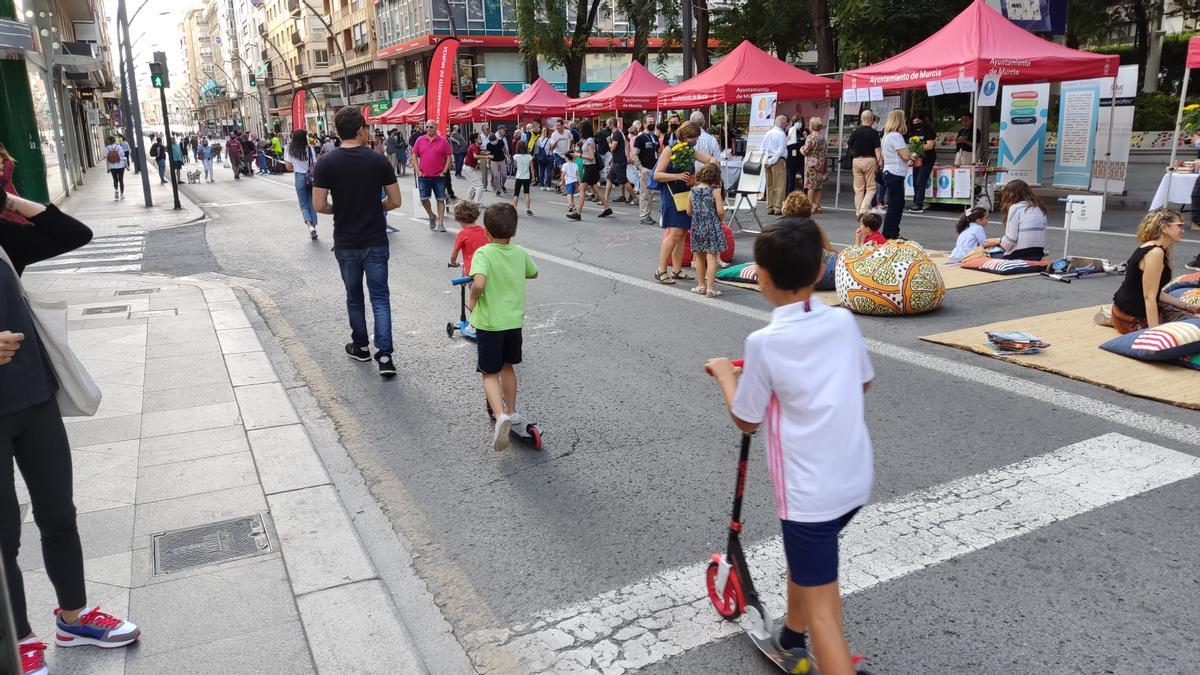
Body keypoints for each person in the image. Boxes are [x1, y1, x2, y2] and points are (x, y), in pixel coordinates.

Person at [705, 216, 874, 675]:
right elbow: (862, 383)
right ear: (819, 271)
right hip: (854, 479)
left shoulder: (765, 343)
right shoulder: (841, 320)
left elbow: (746, 416)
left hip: (809, 496)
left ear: (760, 276)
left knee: (826, 611)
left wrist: (725, 374)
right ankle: (791, 636)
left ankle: (818, 645)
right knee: (810, 566)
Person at [0, 191, 142, 675]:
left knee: (59, 516)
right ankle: (17, 640)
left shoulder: (3, 238)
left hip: (34, 398)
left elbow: (71, 233)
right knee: (3, 537)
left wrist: (8, 200)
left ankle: (73, 619)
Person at [311, 106, 403, 378]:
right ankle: (385, 356)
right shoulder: (378, 161)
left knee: (354, 297)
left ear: (338, 132)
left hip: (346, 242)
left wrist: (340, 210)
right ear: (361, 130)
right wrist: (375, 208)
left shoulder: (326, 163)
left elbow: (319, 205)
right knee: (380, 297)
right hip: (375, 239)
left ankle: (360, 346)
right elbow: (396, 201)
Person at [466, 203, 538, 451]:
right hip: (513, 322)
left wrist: (473, 299)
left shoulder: (484, 253)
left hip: (490, 323)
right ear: (514, 231)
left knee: (488, 372)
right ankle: (513, 411)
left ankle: (500, 415)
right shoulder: (519, 252)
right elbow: (533, 273)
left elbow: (479, 282)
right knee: (508, 366)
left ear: (486, 231)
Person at [1110, 209, 1198, 333]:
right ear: (1164, 228)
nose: (1182, 230)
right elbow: (1149, 297)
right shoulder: (1155, 253)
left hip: (1123, 311)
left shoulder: (1152, 247)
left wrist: (1187, 306)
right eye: (1179, 226)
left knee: (1185, 312)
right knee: (1194, 326)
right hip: (1132, 319)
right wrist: (1154, 333)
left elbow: (1153, 292)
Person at [653, 121, 717, 284]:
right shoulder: (670, 150)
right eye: (694, 138)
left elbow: (711, 160)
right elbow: (657, 175)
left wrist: (701, 176)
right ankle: (660, 270)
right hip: (671, 193)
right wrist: (676, 176)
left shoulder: (689, 149)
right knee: (674, 233)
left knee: (682, 234)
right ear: (685, 136)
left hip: (685, 193)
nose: (695, 141)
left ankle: (676, 269)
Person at [686, 163, 726, 298]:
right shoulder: (715, 192)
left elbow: (688, 211)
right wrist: (719, 220)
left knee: (699, 256)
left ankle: (701, 285)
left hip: (697, 226)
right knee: (712, 256)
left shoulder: (692, 192)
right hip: (712, 225)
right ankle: (710, 288)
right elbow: (720, 211)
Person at [983, 180, 1047, 261]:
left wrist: (996, 241)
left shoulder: (1015, 208)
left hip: (1019, 254)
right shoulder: (1040, 207)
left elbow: (1010, 241)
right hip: (1038, 253)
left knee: (984, 254)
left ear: (1010, 195)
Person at [412, 121, 454, 232]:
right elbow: (414, 154)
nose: (429, 128)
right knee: (424, 199)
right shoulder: (420, 140)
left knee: (440, 199)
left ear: (436, 128)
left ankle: (440, 224)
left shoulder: (443, 141)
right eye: (427, 127)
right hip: (423, 175)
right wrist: (417, 170)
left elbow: (449, 156)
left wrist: (444, 171)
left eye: (431, 127)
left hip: (439, 176)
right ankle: (431, 216)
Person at [879, 109, 913, 240]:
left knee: (895, 204)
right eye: (904, 118)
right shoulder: (896, 136)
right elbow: (904, 156)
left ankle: (891, 231)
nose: (905, 121)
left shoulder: (887, 135)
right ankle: (890, 233)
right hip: (895, 173)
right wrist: (912, 156)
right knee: (896, 205)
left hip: (889, 170)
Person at [284, 129, 320, 240]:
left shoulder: (290, 149)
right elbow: (315, 164)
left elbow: (288, 167)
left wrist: (295, 165)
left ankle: (310, 227)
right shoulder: (310, 149)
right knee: (312, 203)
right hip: (311, 178)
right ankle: (314, 226)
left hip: (299, 177)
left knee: (303, 204)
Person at [847, 110, 882, 216]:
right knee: (871, 187)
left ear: (862, 119)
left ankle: (858, 212)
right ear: (871, 120)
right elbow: (877, 150)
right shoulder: (874, 133)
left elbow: (849, 145)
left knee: (858, 188)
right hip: (870, 160)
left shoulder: (855, 131)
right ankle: (863, 209)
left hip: (856, 160)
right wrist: (880, 163)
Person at [576, 121, 613, 219]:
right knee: (595, 188)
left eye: (580, 129)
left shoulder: (589, 141)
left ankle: (578, 213)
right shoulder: (587, 140)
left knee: (582, 188)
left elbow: (591, 156)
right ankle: (607, 208)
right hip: (589, 167)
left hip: (590, 167)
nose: (579, 131)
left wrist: (579, 155)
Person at [907, 112, 937, 213]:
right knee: (915, 181)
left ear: (922, 120)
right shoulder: (912, 131)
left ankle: (919, 204)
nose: (916, 123)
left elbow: (930, 145)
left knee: (920, 180)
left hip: (927, 159)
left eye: (918, 121)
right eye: (914, 121)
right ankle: (916, 202)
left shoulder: (928, 130)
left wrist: (917, 147)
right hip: (916, 159)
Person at [633, 117, 660, 225]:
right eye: (650, 122)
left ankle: (647, 214)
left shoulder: (654, 137)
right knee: (645, 193)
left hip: (653, 169)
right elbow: (634, 154)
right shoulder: (640, 138)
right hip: (645, 169)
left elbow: (658, 152)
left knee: (651, 193)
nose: (652, 124)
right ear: (644, 124)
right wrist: (640, 167)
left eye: (653, 122)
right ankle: (643, 215)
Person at [449, 200, 488, 274]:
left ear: (458, 219)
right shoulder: (485, 231)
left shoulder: (462, 234)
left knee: (472, 284)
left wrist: (453, 263)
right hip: (486, 268)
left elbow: (454, 254)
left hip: (472, 270)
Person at [760, 115, 789, 215]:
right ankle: (777, 207)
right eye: (785, 122)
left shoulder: (768, 133)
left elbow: (762, 149)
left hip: (768, 161)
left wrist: (766, 161)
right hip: (778, 161)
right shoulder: (781, 134)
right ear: (782, 123)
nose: (786, 124)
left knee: (769, 185)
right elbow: (780, 151)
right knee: (780, 185)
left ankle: (770, 207)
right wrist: (772, 161)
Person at [799, 117, 828, 213]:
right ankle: (818, 206)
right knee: (818, 186)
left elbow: (805, 151)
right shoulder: (822, 138)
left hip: (811, 164)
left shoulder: (810, 137)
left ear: (811, 126)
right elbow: (825, 152)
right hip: (820, 163)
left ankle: (810, 206)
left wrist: (801, 149)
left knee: (810, 185)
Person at [462, 132, 488, 203]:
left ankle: (468, 201)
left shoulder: (476, 146)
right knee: (479, 186)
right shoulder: (473, 146)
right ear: (475, 139)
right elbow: (475, 156)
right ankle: (476, 203)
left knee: (474, 185)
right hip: (468, 168)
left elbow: (480, 152)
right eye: (479, 137)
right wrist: (486, 157)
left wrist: (487, 153)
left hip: (468, 168)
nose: (481, 138)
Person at [785, 114, 807, 195]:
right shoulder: (789, 131)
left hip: (801, 158)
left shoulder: (805, 131)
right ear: (793, 122)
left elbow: (808, 144)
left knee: (805, 178)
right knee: (791, 180)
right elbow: (785, 144)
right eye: (797, 121)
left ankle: (806, 197)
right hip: (791, 159)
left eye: (800, 121)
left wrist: (805, 137)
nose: (798, 123)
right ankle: (790, 197)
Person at [549, 119, 573, 193]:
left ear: (563, 125)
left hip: (566, 154)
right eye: (556, 126)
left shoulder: (567, 132)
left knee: (566, 171)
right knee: (563, 170)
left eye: (559, 125)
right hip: (558, 154)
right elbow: (551, 148)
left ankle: (559, 185)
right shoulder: (554, 134)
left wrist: (570, 148)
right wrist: (557, 141)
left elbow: (572, 139)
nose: (557, 127)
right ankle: (564, 188)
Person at [511, 142, 534, 216]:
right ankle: (528, 209)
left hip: (518, 176)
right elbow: (532, 168)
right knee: (526, 193)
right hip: (526, 177)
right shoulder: (529, 157)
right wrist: (533, 177)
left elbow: (515, 165)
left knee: (516, 194)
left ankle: (514, 209)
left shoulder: (516, 156)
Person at [102, 136, 128, 200]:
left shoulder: (106, 148)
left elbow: (106, 159)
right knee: (121, 179)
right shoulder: (119, 147)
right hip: (120, 165)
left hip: (112, 166)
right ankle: (122, 194)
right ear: (115, 141)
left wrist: (108, 168)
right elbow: (123, 155)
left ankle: (116, 190)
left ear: (108, 141)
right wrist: (126, 166)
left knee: (115, 179)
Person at [487, 127, 510, 196]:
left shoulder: (500, 141)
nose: (493, 142)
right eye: (492, 141)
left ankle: (502, 185)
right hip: (494, 161)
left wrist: (508, 156)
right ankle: (498, 189)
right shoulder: (489, 145)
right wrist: (488, 163)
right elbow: (488, 154)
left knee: (504, 175)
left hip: (501, 159)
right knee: (496, 176)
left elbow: (505, 149)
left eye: (494, 140)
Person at [562, 150, 582, 219]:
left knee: (569, 194)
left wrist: (562, 182)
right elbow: (577, 174)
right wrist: (579, 182)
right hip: (574, 181)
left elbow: (563, 174)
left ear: (567, 158)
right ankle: (573, 204)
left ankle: (570, 205)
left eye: (565, 157)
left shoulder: (565, 165)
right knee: (572, 194)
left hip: (568, 181)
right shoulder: (575, 164)